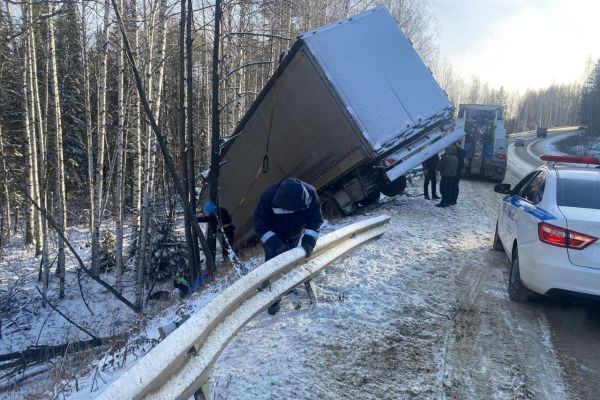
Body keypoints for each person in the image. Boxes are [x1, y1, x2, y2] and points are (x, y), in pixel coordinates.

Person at [254, 177, 323, 315]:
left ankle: (288, 285)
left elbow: (315, 222)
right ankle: (273, 299)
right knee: (273, 265)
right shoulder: (268, 197)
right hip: (272, 237)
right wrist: (276, 245)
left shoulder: (311, 194)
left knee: (291, 261)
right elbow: (260, 226)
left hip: (294, 234)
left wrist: (309, 242)